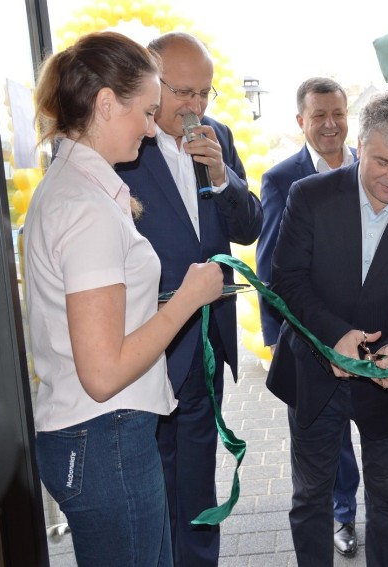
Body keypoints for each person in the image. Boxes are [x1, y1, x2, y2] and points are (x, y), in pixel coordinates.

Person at [25, 31, 223, 566]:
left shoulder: (78, 187)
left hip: (100, 434)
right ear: (106, 103)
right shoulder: (85, 205)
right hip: (105, 434)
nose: (152, 128)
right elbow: (104, 372)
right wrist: (187, 299)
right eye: (146, 111)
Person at [266, 89, 388, 567]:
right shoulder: (308, 196)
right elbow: (285, 279)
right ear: (361, 144)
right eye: (383, 161)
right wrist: (334, 336)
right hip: (314, 372)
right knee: (311, 494)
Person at [116, 31, 263, 567]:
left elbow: (249, 228)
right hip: (145, 347)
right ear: (151, 83)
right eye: (184, 93)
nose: (196, 106)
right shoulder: (125, 140)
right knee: (152, 487)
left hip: (206, 343)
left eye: (206, 92)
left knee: (198, 487)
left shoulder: (218, 135)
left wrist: (224, 177)